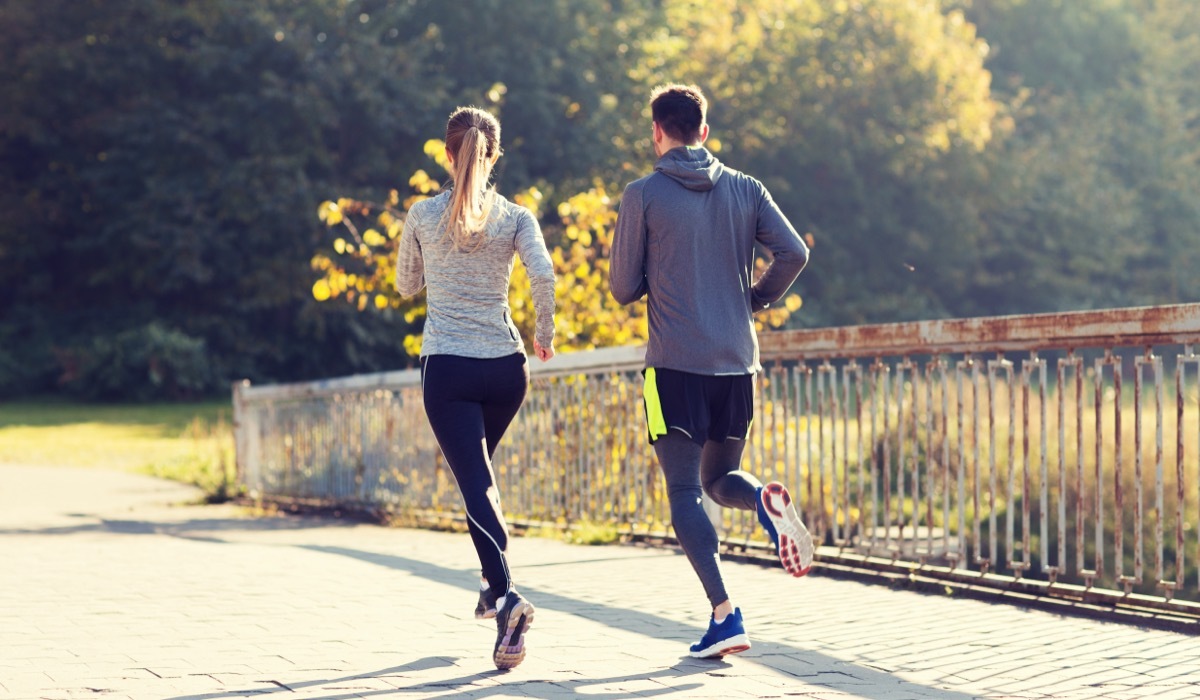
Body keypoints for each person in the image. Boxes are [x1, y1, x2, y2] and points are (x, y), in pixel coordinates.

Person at [609, 84, 814, 659]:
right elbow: (794, 252)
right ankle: (768, 514)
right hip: (736, 364)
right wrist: (752, 300)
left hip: (673, 366)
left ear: (657, 132)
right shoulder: (747, 188)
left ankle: (725, 615)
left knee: (683, 490)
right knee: (721, 479)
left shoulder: (643, 194)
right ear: (704, 131)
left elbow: (623, 288)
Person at [395, 106, 556, 670]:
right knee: (477, 479)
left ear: (447, 154)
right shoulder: (516, 216)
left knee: (476, 485)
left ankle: (508, 597)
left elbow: (406, 284)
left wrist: (425, 252)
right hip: (507, 368)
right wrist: (545, 333)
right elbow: (543, 274)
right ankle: (494, 592)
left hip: (450, 368)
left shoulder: (422, 213)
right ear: (494, 155)